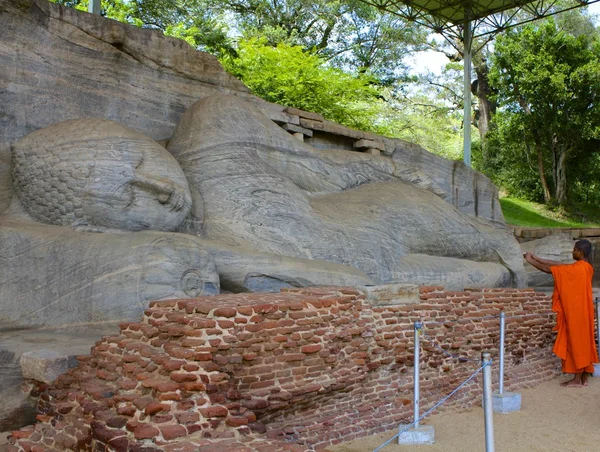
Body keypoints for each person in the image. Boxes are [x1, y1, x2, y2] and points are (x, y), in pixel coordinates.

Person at [524, 239, 598, 387]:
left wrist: (529, 261)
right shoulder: (587, 267)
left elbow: (549, 270)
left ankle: (576, 379)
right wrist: (536, 257)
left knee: (576, 343)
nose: (572, 252)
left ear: (580, 252)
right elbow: (559, 265)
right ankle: (583, 378)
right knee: (584, 342)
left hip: (575, 313)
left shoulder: (576, 269)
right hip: (585, 312)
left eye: (574, 250)